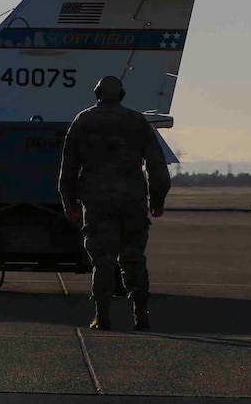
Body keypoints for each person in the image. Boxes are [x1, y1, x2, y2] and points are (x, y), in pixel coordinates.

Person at [58, 75, 169, 332]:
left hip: (97, 203)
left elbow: (69, 168)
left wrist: (68, 201)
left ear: (97, 94)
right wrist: (158, 198)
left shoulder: (83, 121)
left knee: (103, 260)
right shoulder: (136, 121)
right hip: (132, 201)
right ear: (122, 94)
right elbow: (156, 165)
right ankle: (141, 315)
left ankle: (102, 316)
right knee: (134, 258)